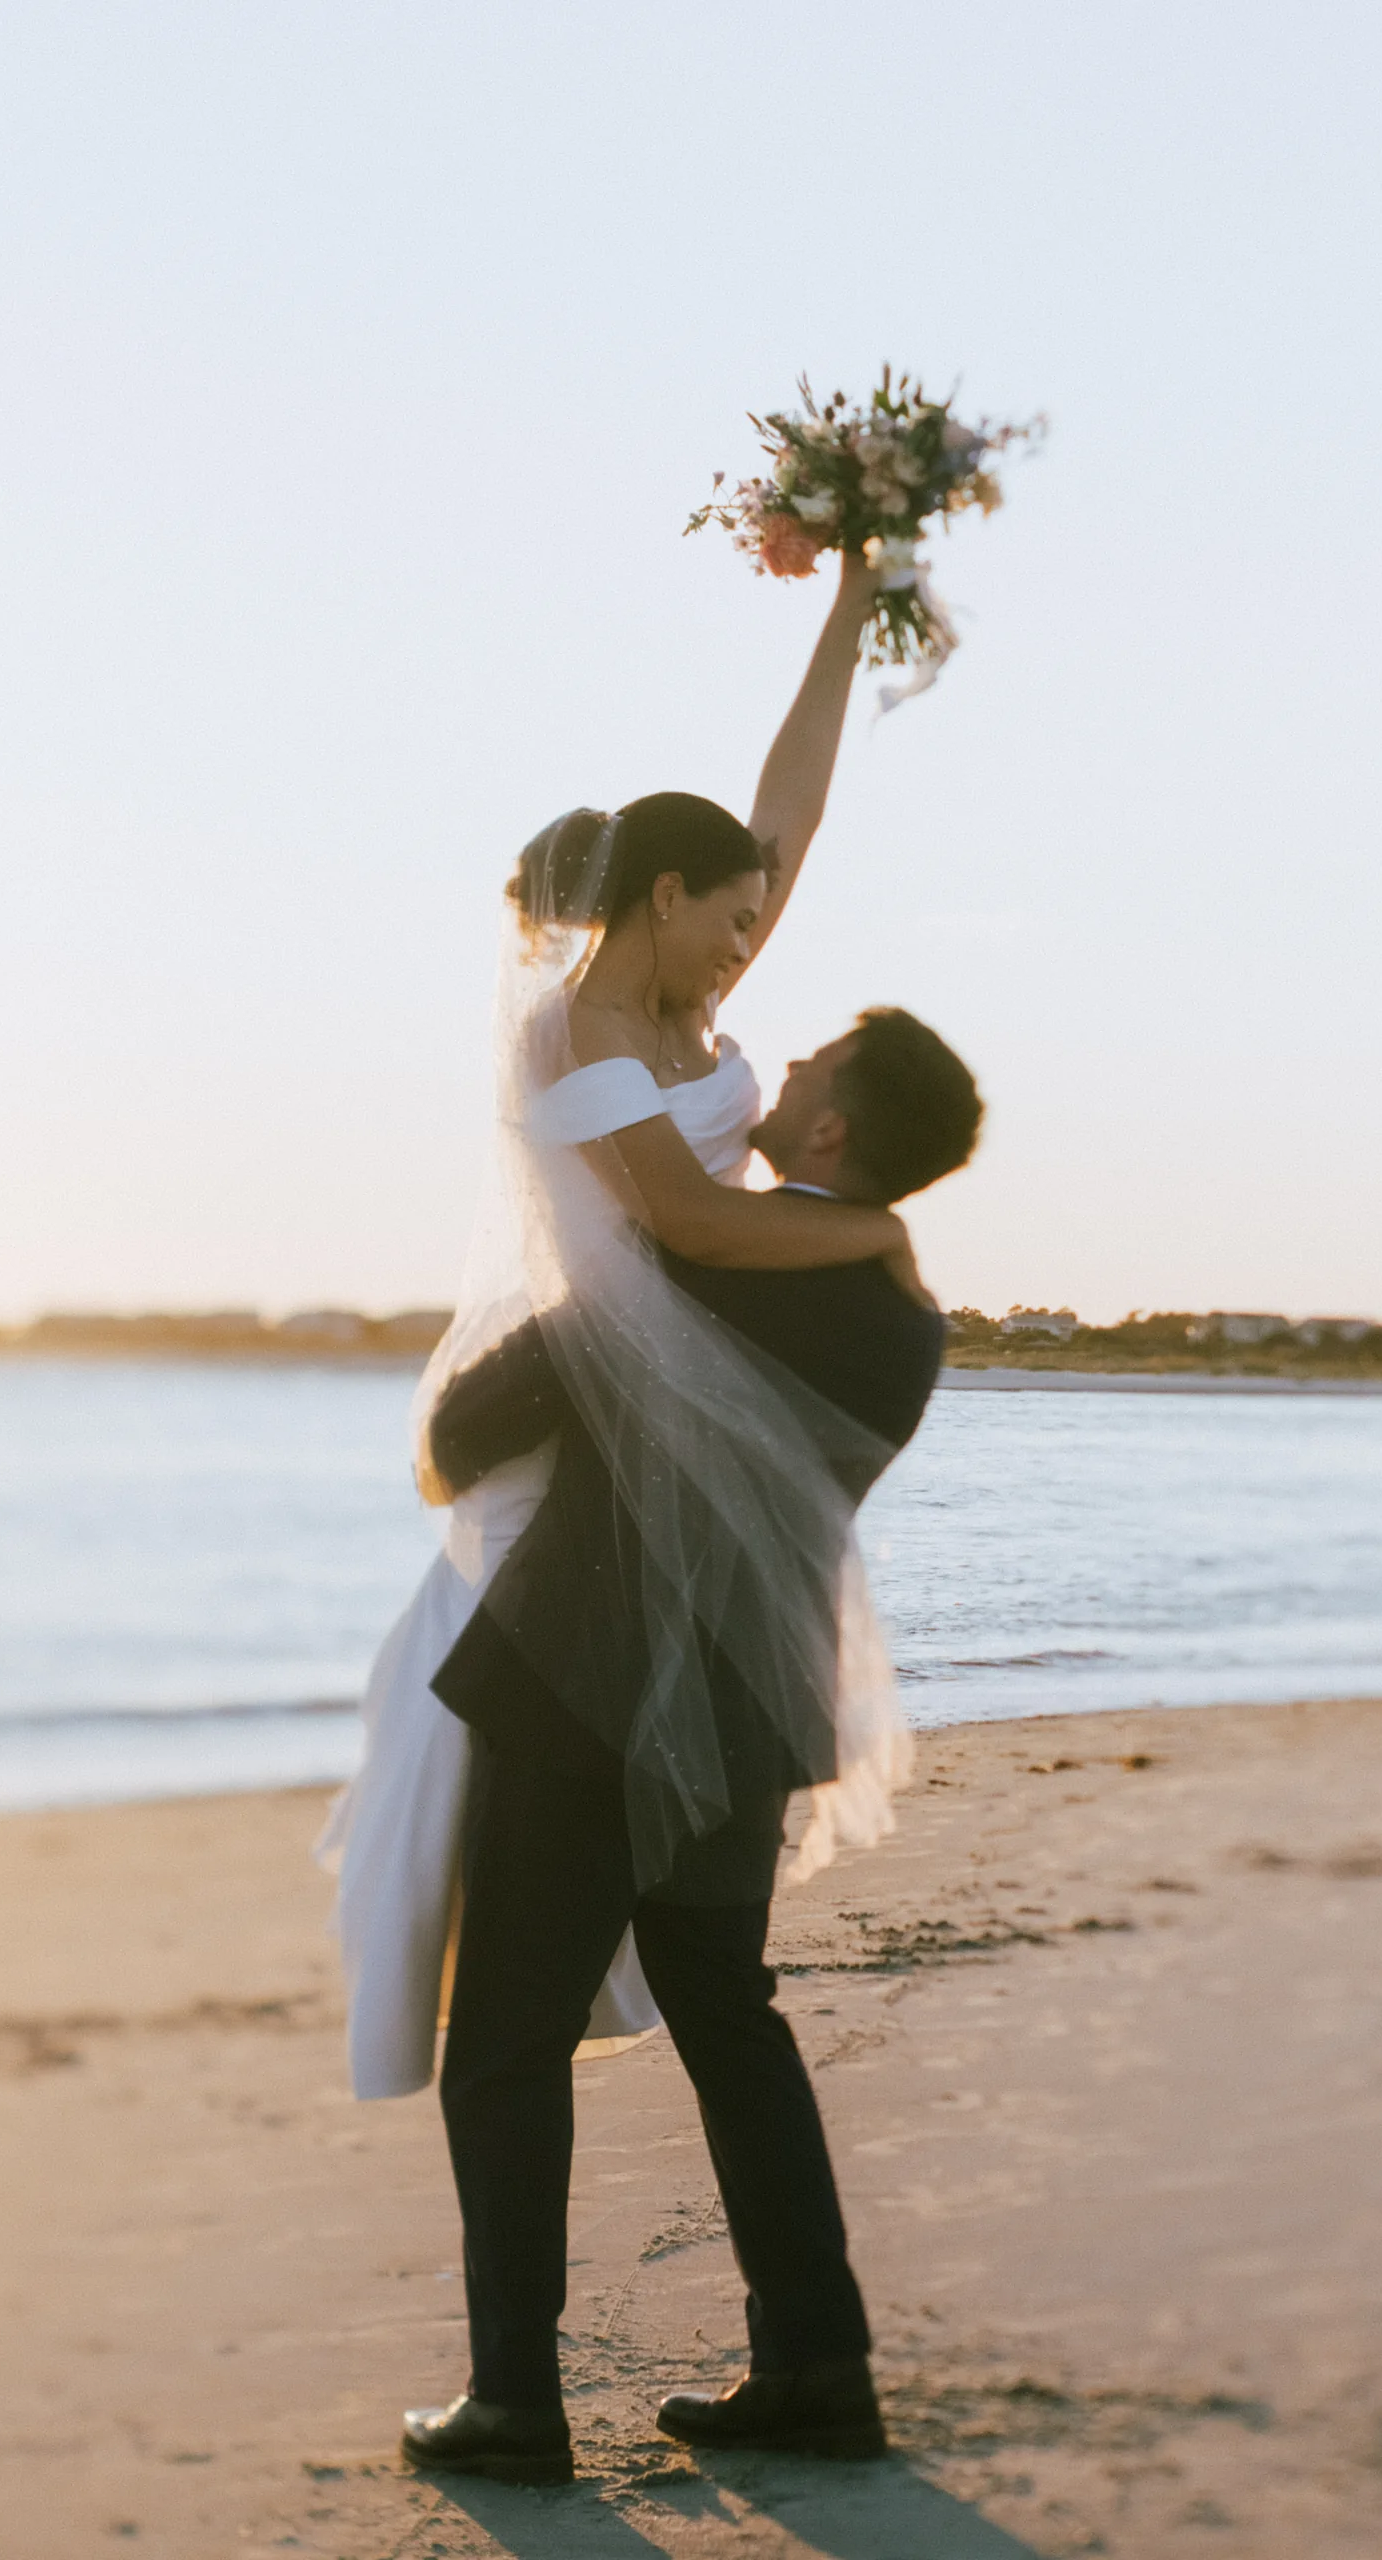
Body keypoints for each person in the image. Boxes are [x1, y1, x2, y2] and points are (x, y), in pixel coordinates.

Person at [320, 552, 907, 2102]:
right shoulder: (571, 1029)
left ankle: (622, 1938)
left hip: (698, 1373)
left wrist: (852, 594)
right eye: (730, 916)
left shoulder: (695, 1007)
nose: (750, 940)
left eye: (755, 919)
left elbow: (795, 810)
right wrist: (867, 1230)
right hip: (607, 1359)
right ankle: (511, 1945)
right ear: (661, 899)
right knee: (542, 1663)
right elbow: (670, 1216)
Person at [400, 1004, 985, 2484]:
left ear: (835, 1130)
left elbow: (474, 1426)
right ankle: (819, 2366)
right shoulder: (904, 1319)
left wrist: (464, 1431)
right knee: (733, 2022)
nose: (778, 1073)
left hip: (582, 1691)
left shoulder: (693, 1262)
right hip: (751, 1710)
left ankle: (515, 2402)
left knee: (510, 2044)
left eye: (811, 1069)